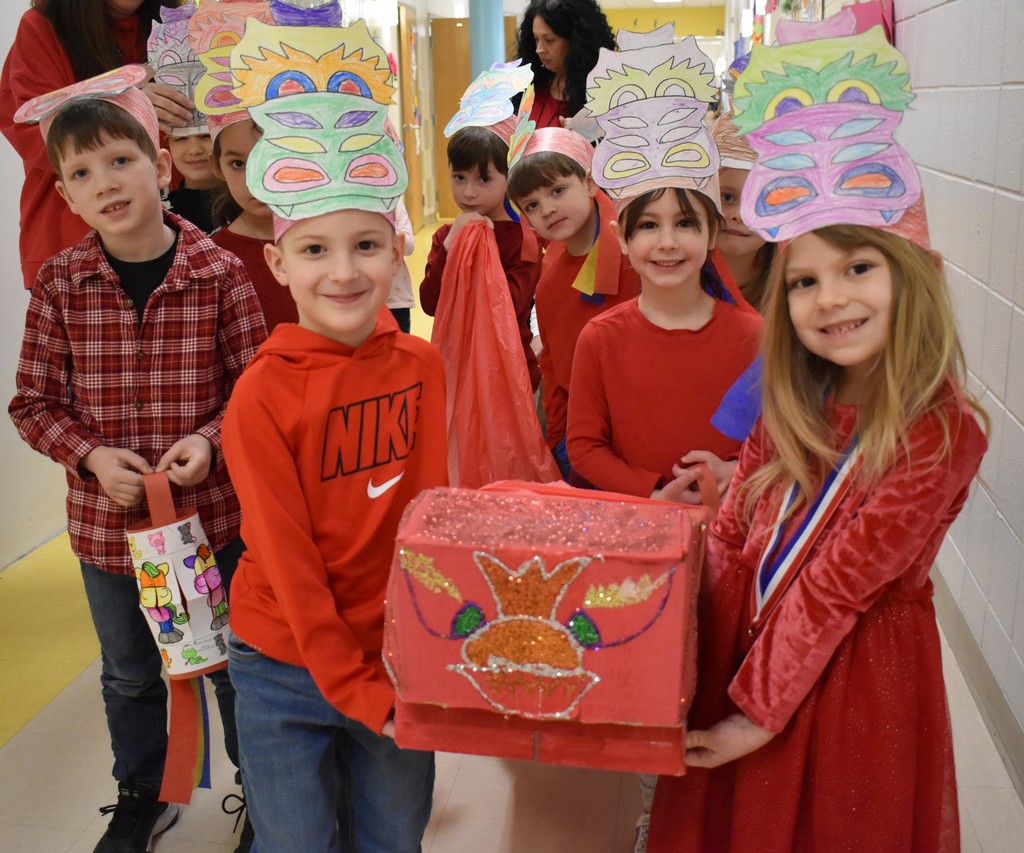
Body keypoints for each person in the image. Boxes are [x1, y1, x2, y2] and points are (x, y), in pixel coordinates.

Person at [647, 26, 988, 852]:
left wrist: (756, 716)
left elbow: (837, 588)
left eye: (858, 268)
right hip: (752, 641)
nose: (830, 298)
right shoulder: (795, 390)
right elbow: (733, 528)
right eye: (804, 280)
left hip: (851, 676)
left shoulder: (940, 432)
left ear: (913, 275)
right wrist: (678, 631)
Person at [8, 74, 267, 853]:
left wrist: (211, 440)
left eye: (119, 161)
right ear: (66, 194)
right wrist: (89, 457)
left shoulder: (221, 273)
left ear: (160, 166)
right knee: (127, 671)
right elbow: (33, 402)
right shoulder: (60, 283)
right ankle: (142, 794)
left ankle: (260, 789)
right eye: (82, 174)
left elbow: (257, 392)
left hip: (210, 521)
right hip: (107, 534)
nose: (104, 184)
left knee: (229, 666)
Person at [220, 19, 446, 853]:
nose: (344, 271)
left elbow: (427, 516)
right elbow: (289, 563)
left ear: (397, 252)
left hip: (392, 652)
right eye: (315, 248)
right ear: (280, 265)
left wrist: (425, 651)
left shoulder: (422, 365)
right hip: (283, 661)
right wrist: (353, 685)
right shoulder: (260, 397)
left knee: (394, 837)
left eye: (366, 245)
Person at [567, 186, 762, 502]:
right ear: (621, 238)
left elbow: (787, 444)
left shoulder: (757, 338)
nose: (668, 243)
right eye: (648, 225)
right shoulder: (600, 338)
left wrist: (738, 470)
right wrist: (653, 493)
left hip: (736, 523)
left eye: (685, 223)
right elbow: (584, 447)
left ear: (712, 232)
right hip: (641, 528)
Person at [0, 0, 194, 289]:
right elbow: (34, 133)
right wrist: (131, 105)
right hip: (71, 248)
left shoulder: (183, 20)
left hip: (172, 237)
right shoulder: (43, 25)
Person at [507, 126, 641, 477]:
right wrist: (558, 443)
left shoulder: (638, 252)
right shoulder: (549, 280)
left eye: (557, 190)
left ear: (590, 182)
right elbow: (554, 367)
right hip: (586, 442)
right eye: (533, 205)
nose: (548, 209)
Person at [421, 125, 541, 388]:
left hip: (508, 374)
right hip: (457, 370)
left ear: (509, 178)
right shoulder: (445, 236)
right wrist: (450, 249)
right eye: (459, 177)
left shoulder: (522, 239)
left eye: (484, 179)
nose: (469, 192)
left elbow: (506, 309)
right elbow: (430, 304)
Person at [208, 116, 298, 331]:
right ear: (217, 167)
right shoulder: (210, 260)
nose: (257, 180)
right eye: (238, 164)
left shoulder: (336, 242)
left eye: (274, 158)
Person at [708, 112, 774, 311]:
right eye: (727, 197)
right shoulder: (673, 276)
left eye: (757, 201)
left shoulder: (791, 286)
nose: (739, 214)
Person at [515, 0, 614, 127]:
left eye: (549, 40)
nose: (539, 49)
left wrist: (587, 136)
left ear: (575, 41)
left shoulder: (604, 93)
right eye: (536, 39)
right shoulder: (531, 87)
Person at [165, 131, 217, 232]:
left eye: (207, 135)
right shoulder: (161, 217)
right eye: (180, 138)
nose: (194, 150)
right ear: (168, 143)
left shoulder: (251, 205)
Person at [387, 198, 416, 333]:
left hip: (396, 300)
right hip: (365, 302)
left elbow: (409, 246)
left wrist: (382, 231)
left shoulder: (394, 205)